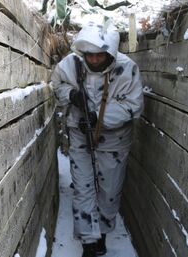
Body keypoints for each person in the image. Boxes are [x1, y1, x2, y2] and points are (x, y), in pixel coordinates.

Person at [51, 20, 144, 257]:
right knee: (83, 188)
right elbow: (57, 84)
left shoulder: (127, 68)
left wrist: (98, 117)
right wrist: (71, 95)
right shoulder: (70, 65)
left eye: (99, 55)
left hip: (114, 142)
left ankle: (101, 233)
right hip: (80, 138)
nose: (93, 60)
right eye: (89, 55)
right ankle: (89, 243)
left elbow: (133, 106)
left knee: (109, 190)